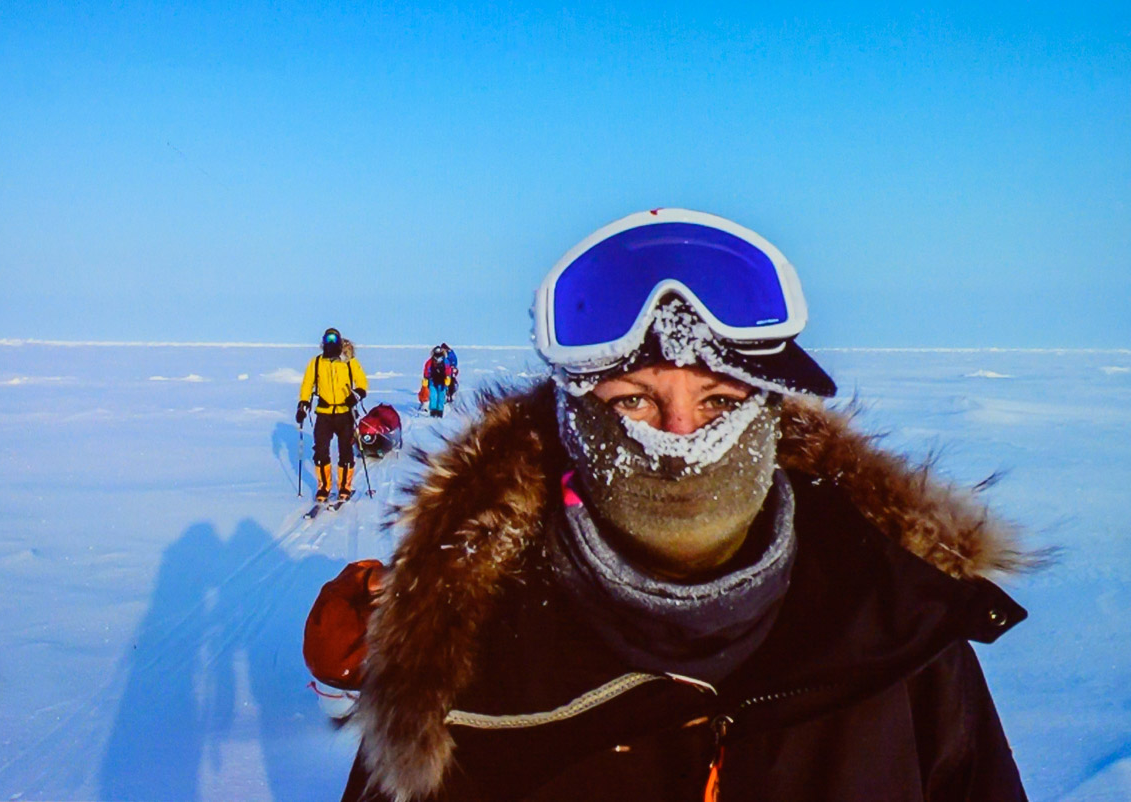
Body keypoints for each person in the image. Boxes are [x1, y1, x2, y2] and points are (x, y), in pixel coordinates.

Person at [342, 210, 1029, 801]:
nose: (678, 439)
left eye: (721, 403)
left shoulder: (895, 628)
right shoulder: (461, 663)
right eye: (632, 401)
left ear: (771, 415)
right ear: (573, 421)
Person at [296, 327, 369, 503]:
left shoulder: (349, 362)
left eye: (333, 339)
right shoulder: (316, 363)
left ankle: (345, 487)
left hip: (345, 414)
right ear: (323, 342)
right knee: (320, 451)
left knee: (345, 451)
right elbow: (307, 384)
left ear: (338, 341)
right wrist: (303, 405)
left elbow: (362, 383)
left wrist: (356, 395)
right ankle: (324, 487)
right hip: (324, 414)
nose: (330, 343)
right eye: (327, 340)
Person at [421, 346, 452, 418]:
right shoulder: (429, 362)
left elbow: (448, 371)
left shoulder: (446, 362)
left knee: (441, 397)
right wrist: (425, 381)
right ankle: (433, 412)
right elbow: (426, 372)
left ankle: (440, 412)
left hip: (442, 382)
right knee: (433, 396)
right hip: (432, 381)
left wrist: (448, 379)